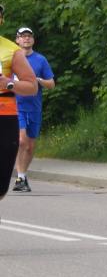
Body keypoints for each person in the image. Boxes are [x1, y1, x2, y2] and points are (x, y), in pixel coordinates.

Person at [0, 5, 40, 210]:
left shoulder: (11, 51)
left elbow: (32, 86)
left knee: (1, 186)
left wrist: (8, 83)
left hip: (4, 118)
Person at [13, 27, 56, 192]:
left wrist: (38, 80)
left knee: (30, 146)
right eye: (22, 36)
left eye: (29, 36)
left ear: (33, 39)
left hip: (34, 107)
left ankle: (22, 176)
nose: (26, 39)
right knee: (21, 141)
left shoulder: (40, 60)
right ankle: (19, 178)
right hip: (16, 106)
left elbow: (51, 84)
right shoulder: (11, 59)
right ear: (17, 40)